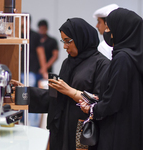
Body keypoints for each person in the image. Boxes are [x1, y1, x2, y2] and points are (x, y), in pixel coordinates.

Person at [12, 18, 109, 150]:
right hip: (61, 130)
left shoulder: (101, 64)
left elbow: (100, 102)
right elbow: (54, 97)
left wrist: (70, 91)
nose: (65, 46)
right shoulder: (68, 63)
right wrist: (24, 91)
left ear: (81, 38)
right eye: (63, 41)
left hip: (83, 132)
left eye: (69, 41)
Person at [79, 8, 143, 150]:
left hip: (117, 131)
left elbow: (114, 99)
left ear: (122, 29)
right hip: (129, 129)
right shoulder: (135, 57)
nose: (107, 32)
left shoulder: (122, 58)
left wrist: (93, 109)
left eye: (110, 27)